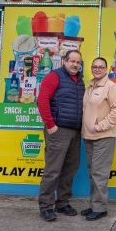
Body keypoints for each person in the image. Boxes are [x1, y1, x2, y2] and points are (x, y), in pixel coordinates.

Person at [36, 50, 84, 221]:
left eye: (78, 62)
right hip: (58, 130)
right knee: (53, 170)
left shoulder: (80, 81)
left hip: (75, 132)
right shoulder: (54, 76)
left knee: (70, 170)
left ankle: (62, 203)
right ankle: (46, 207)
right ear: (64, 61)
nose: (75, 65)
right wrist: (51, 126)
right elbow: (42, 100)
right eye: (72, 61)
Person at [80, 57, 116, 221]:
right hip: (88, 137)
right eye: (94, 66)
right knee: (92, 172)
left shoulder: (111, 87)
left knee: (99, 173)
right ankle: (94, 204)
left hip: (104, 137)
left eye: (101, 67)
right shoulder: (90, 86)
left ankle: (100, 208)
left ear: (106, 69)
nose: (97, 69)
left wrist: (100, 126)